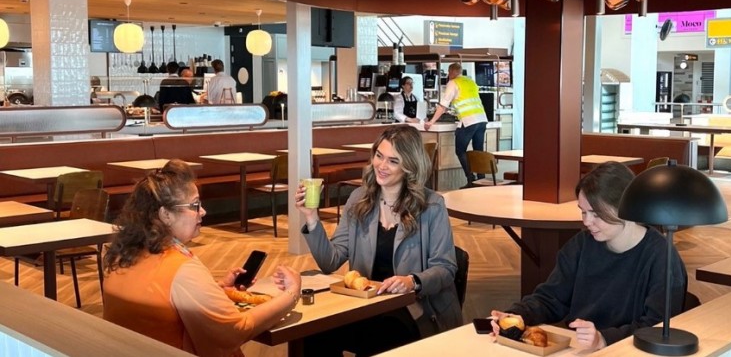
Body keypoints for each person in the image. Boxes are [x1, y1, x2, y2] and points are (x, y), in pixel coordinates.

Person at [103, 159, 301, 357]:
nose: (203, 212)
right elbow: (234, 331)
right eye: (195, 205)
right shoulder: (181, 269)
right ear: (165, 215)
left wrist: (217, 289)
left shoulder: (122, 255)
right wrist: (291, 295)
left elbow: (162, 299)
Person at [295, 124, 462, 356]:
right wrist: (311, 217)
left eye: (393, 161)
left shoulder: (432, 206)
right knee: (313, 334)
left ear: (409, 167)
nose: (381, 166)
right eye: (379, 156)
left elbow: (445, 269)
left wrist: (411, 281)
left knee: (380, 337)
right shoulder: (358, 199)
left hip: (413, 309)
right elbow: (329, 262)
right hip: (365, 304)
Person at [490, 162, 686, 351]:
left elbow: (657, 328)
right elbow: (551, 298)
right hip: (580, 348)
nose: (587, 222)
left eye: (596, 214)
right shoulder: (582, 244)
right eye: (583, 212)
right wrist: (518, 315)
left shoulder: (660, 256)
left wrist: (604, 339)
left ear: (626, 207)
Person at [424, 62, 488, 185]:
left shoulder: (453, 83)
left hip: (469, 120)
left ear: (452, 72)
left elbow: (443, 106)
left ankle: (471, 179)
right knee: (478, 150)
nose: (448, 75)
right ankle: (481, 179)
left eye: (449, 73)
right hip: (482, 118)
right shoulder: (470, 81)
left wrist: (431, 121)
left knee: (460, 150)